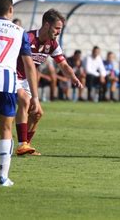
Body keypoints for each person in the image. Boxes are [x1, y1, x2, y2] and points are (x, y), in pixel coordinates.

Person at [0, 0, 43, 187]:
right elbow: (29, 66)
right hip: (7, 84)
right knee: (6, 129)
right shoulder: (20, 31)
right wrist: (36, 97)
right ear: (11, 10)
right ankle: (3, 177)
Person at [15, 9, 83, 156]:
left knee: (37, 113)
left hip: (27, 81)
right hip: (13, 76)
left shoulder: (52, 44)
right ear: (46, 25)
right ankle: (21, 145)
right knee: (25, 101)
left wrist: (73, 77)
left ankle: (26, 145)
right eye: (57, 28)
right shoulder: (27, 37)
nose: (59, 32)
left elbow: (63, 64)